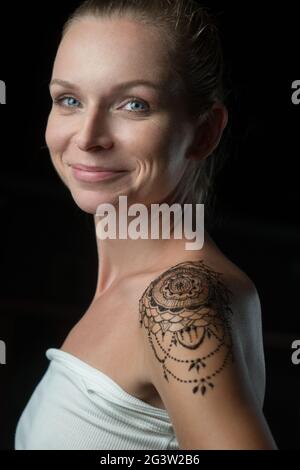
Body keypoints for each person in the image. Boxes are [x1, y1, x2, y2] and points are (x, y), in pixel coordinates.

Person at [15, 0, 277, 450]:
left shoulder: (180, 305)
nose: (88, 136)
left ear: (205, 132)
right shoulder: (138, 289)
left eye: (134, 104)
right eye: (70, 100)